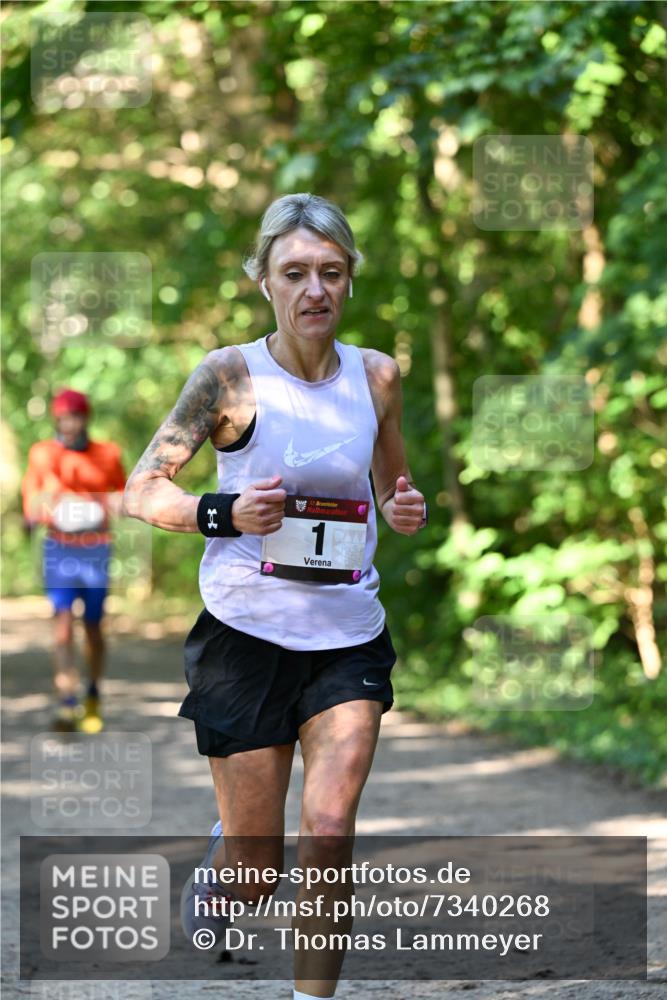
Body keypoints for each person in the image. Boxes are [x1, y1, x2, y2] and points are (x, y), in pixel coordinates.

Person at [123, 193, 426, 999]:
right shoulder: (228, 377)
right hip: (244, 637)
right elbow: (141, 490)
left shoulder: (377, 375)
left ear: (350, 281)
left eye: (330, 272)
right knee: (257, 875)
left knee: (328, 831)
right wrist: (221, 512)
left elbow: (395, 489)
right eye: (294, 273)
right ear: (265, 281)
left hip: (346, 635)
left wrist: (403, 508)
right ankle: (230, 864)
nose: (313, 290)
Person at [21, 389, 126, 733]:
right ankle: (67, 702)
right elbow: (31, 500)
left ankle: (93, 693)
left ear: (86, 419)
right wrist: (34, 514)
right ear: (56, 419)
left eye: (76, 417)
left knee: (93, 626)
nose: (69, 424)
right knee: (62, 625)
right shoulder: (42, 455)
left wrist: (112, 504)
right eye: (63, 418)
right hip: (59, 548)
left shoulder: (107, 455)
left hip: (96, 548)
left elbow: (124, 497)